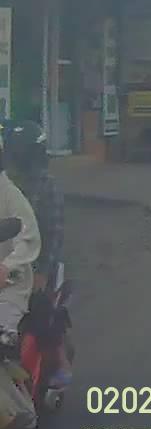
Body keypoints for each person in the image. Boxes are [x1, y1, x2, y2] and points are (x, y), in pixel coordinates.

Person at [3, 122, 70, 389]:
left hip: (41, 264)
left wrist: (42, 272)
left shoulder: (47, 186)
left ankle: (59, 365)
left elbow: (54, 234)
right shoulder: (6, 183)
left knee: (41, 310)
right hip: (9, 259)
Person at [0, 132, 41, 429]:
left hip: (9, 285)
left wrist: (7, 266)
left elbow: (27, 236)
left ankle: (18, 409)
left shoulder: (10, 195)